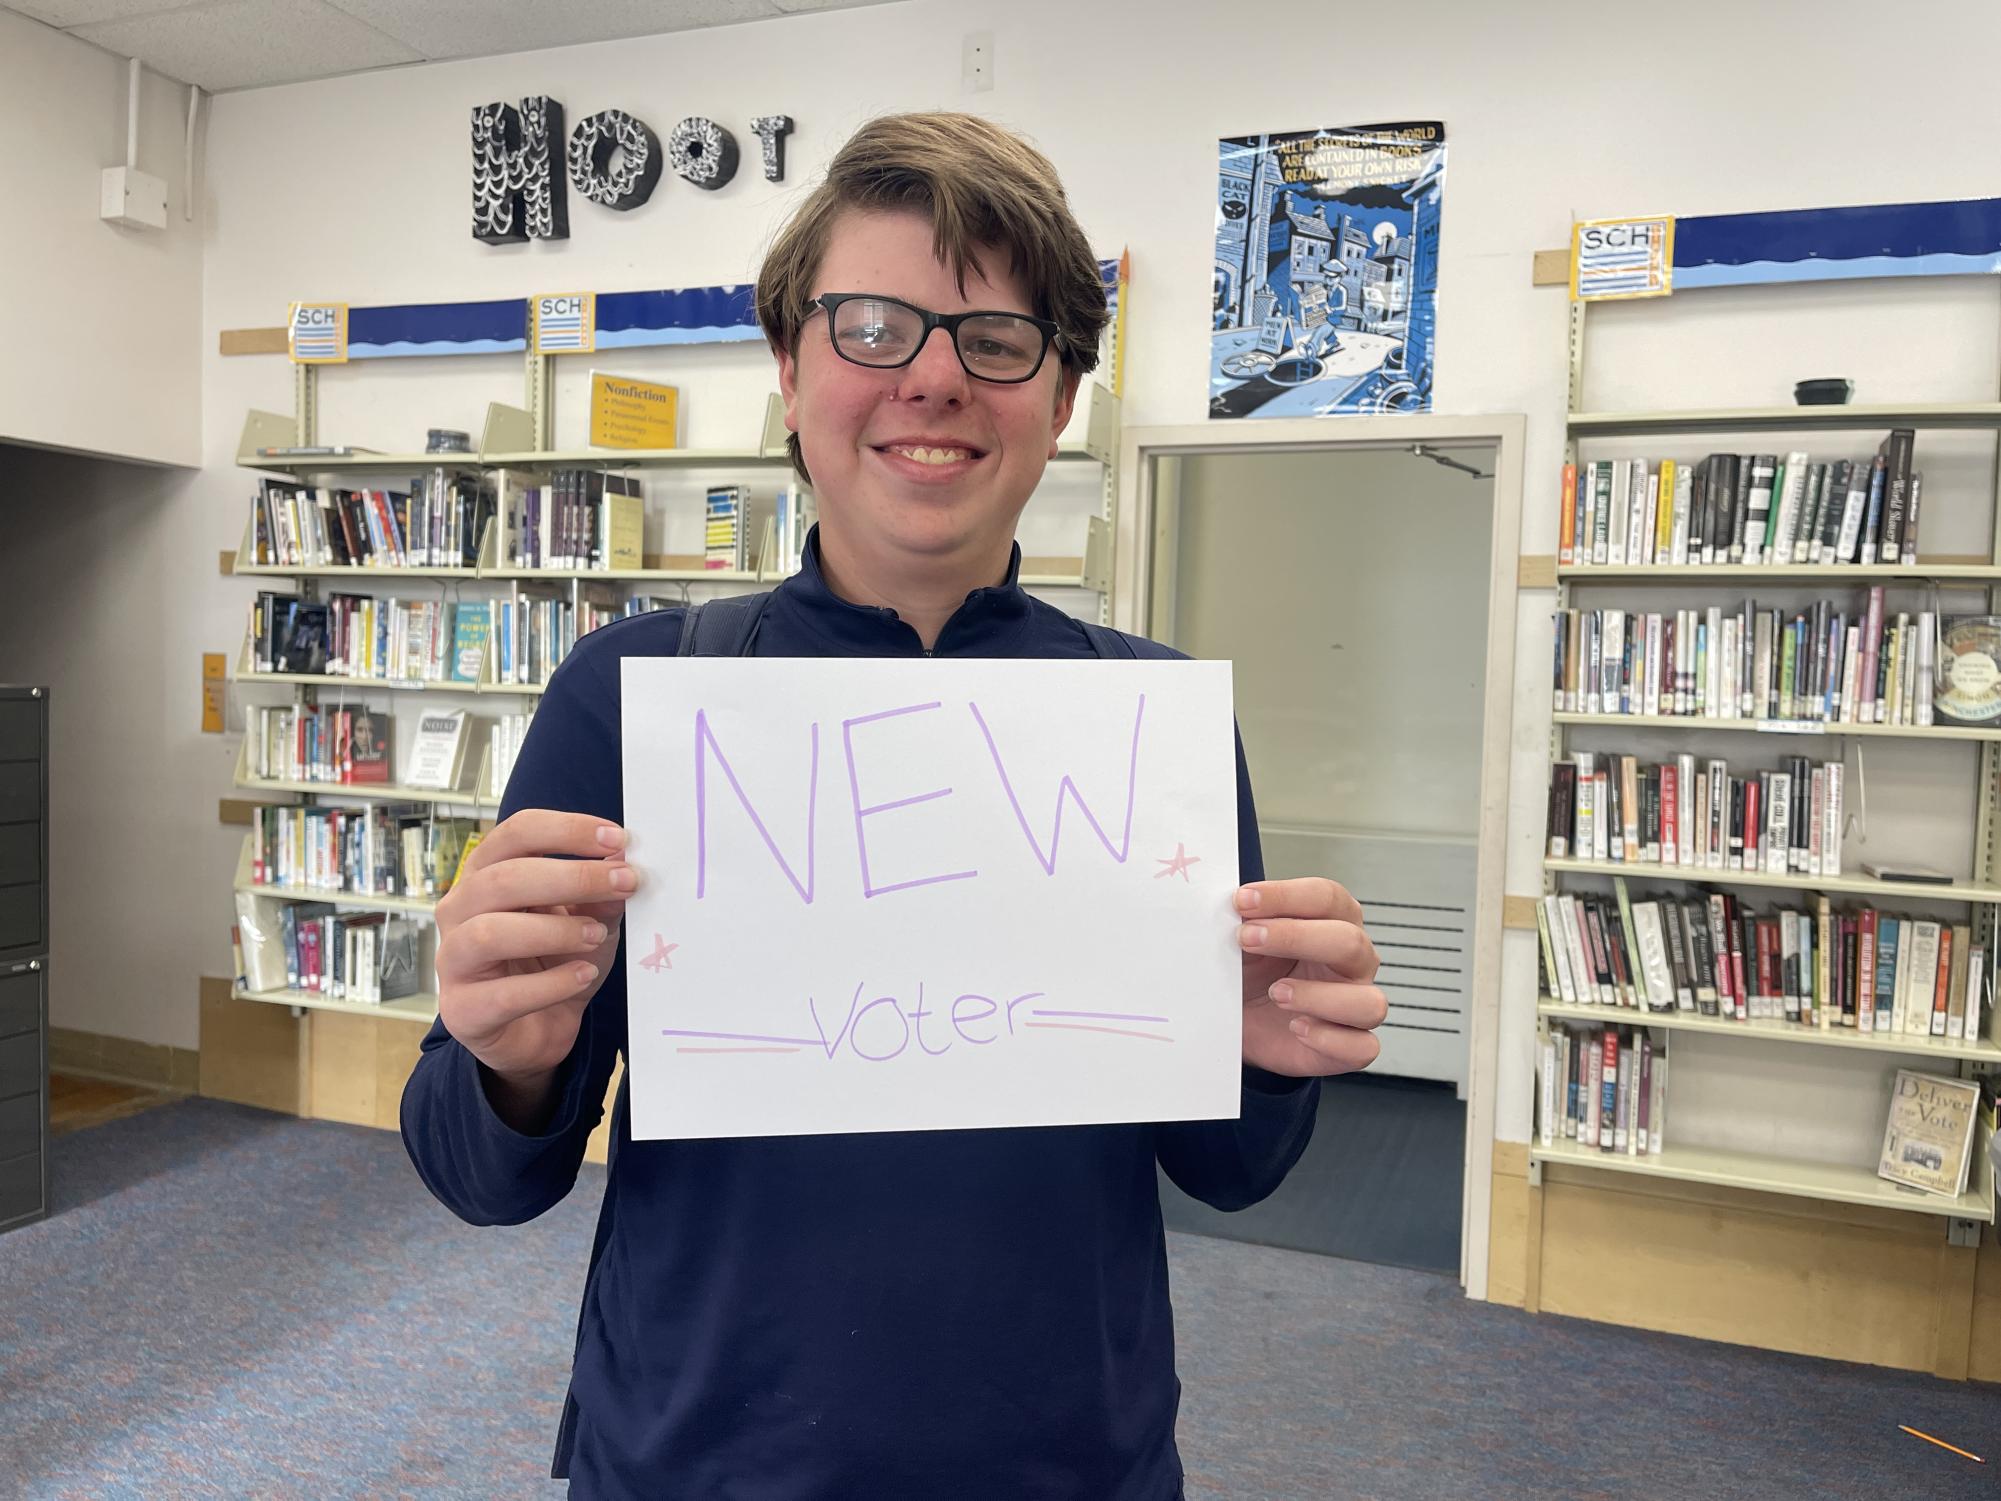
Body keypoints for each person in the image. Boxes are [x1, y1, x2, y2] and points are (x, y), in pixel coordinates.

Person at [402, 111, 1385, 1501]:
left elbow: (1229, 1167)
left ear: (1059, 398)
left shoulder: (1143, 726)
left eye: (995, 339)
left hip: (1069, 1466)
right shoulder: (630, 693)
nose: (931, 377)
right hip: (694, 1464)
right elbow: (480, 1171)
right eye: (871, 324)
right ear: (789, 369)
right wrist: (509, 1056)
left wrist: (1272, 1056)